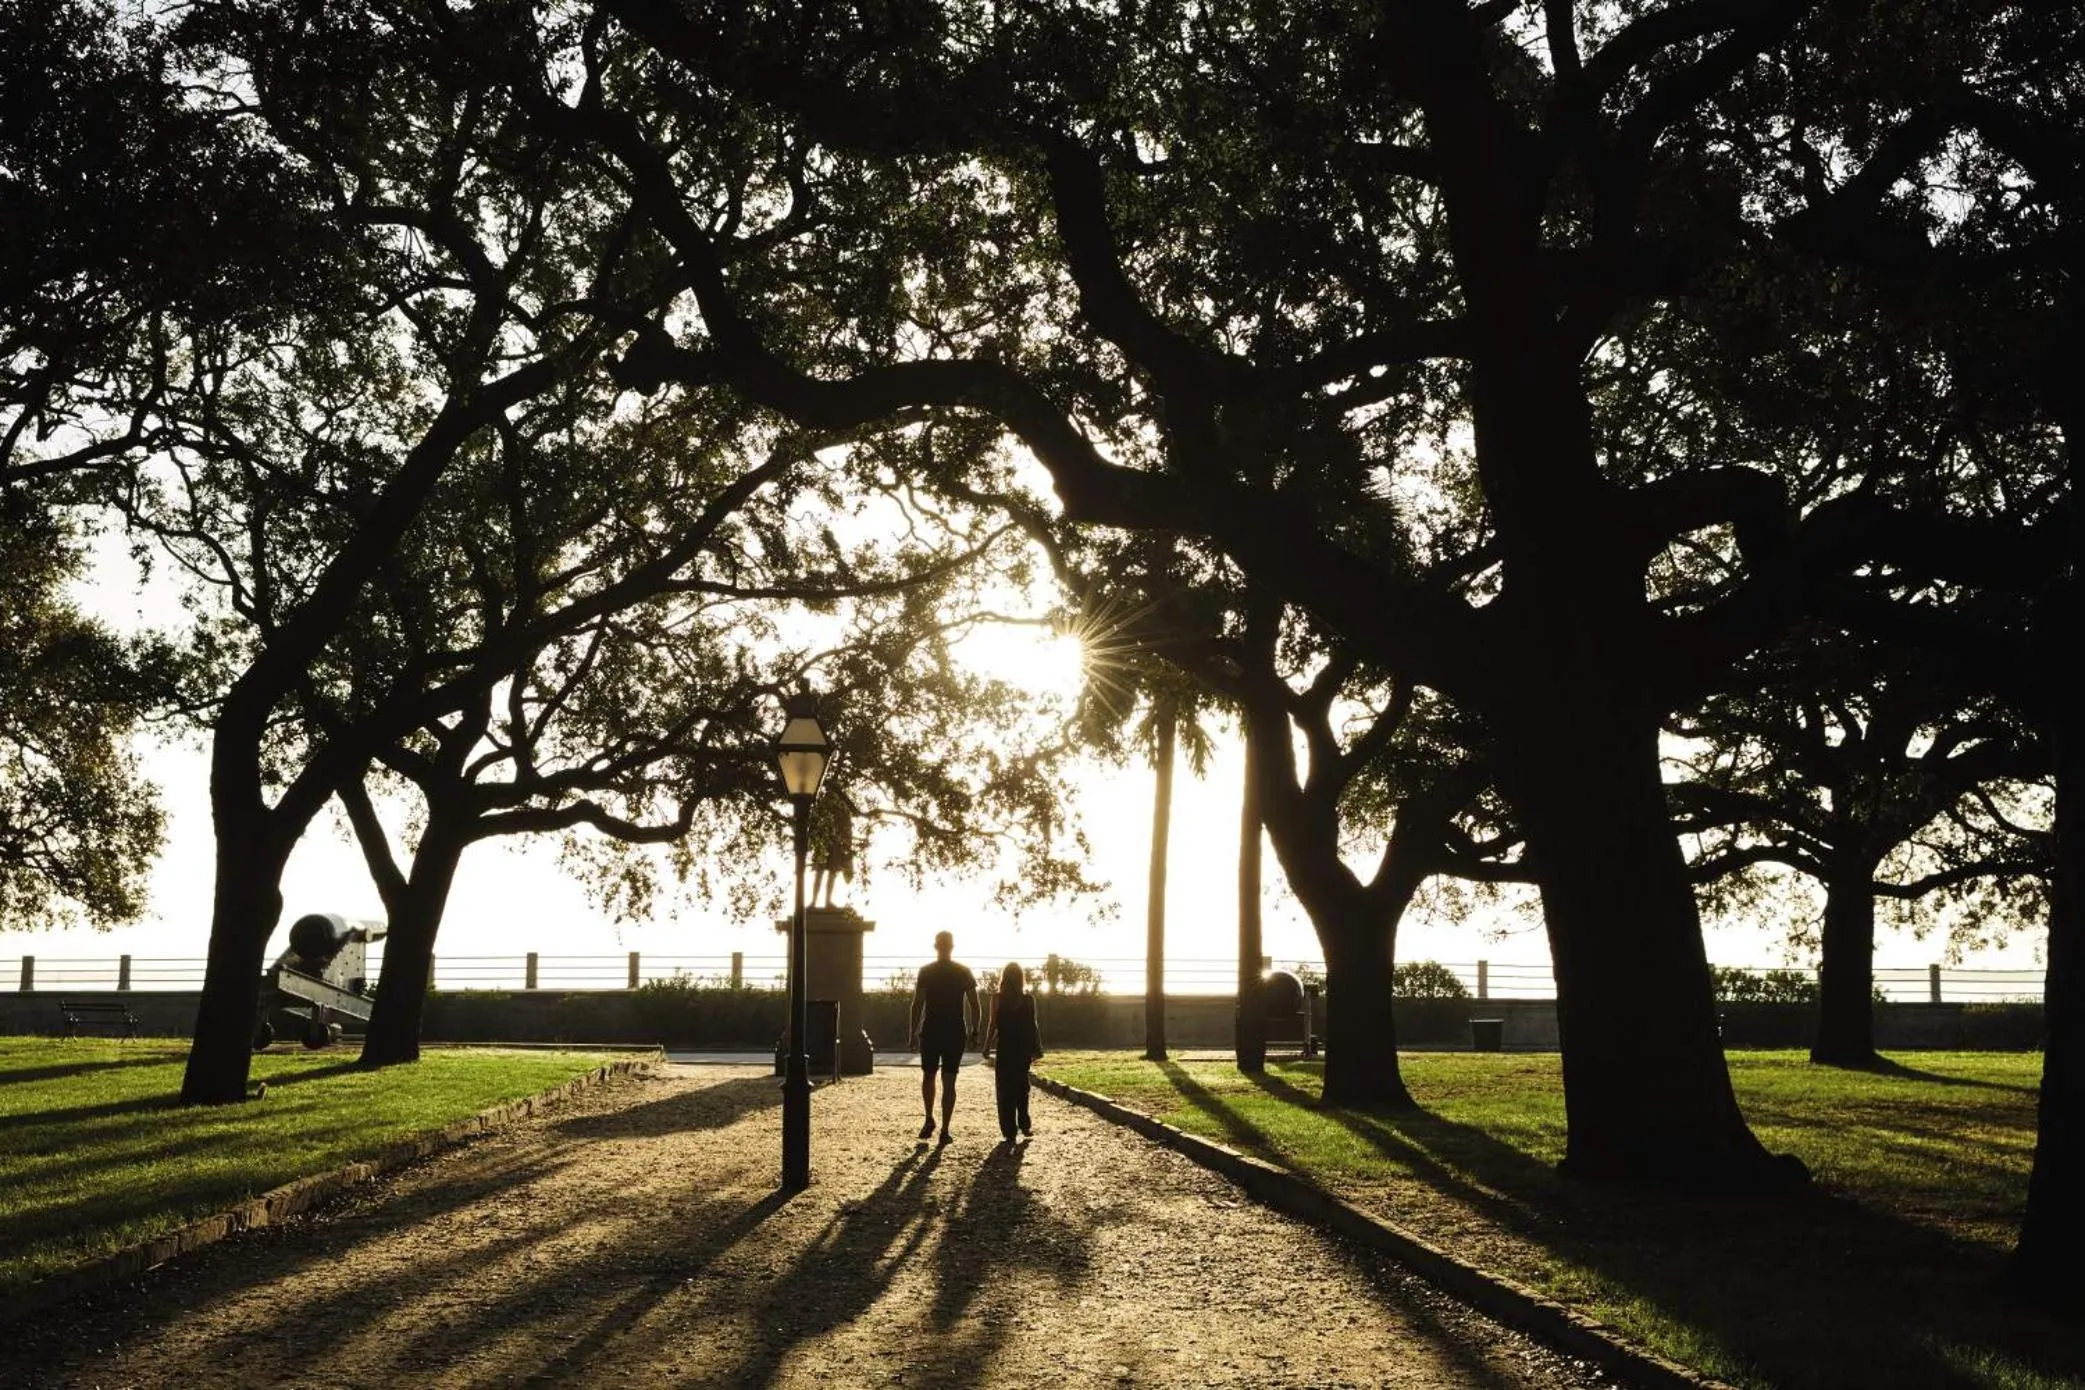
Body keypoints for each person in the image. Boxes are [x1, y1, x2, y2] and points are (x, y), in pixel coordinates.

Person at [907, 930, 978, 1142]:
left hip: (931, 1029)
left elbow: (918, 1003)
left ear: (935, 946)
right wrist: (976, 1030)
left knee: (929, 1076)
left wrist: (911, 1032)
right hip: (954, 1030)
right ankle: (945, 1129)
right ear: (952, 946)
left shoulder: (926, 972)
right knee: (949, 1080)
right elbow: (975, 1005)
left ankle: (929, 1118)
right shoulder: (963, 972)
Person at [983, 961, 1043, 1142]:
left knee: (1004, 1089)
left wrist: (986, 1045)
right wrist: (1037, 1047)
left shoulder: (997, 998)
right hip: (1023, 1048)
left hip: (1005, 1047)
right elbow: (1033, 1026)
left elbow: (993, 1024)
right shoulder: (1028, 1000)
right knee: (1022, 1087)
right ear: (1020, 979)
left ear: (1004, 978)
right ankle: (1024, 1123)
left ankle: (1009, 1129)